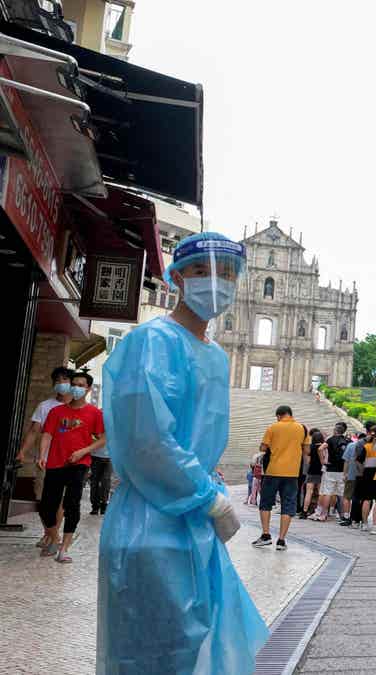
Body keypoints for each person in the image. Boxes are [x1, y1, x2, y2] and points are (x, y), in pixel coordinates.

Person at [98, 231, 266, 673]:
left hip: (194, 525)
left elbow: (200, 434)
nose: (216, 281)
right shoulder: (152, 341)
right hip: (150, 522)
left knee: (198, 647)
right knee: (152, 651)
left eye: (227, 273)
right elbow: (147, 438)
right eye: (200, 271)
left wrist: (206, 498)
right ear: (175, 278)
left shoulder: (214, 355)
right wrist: (207, 497)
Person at [38, 371, 106, 563]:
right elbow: (47, 434)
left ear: (88, 389)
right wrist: (42, 454)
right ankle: (54, 537)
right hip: (55, 463)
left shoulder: (94, 413)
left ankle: (64, 549)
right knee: (46, 507)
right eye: (74, 383)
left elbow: (103, 438)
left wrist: (84, 451)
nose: (76, 387)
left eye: (81, 385)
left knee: (72, 504)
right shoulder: (56, 412)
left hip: (78, 464)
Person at [20, 365, 73, 548]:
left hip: (68, 462)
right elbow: (34, 431)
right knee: (44, 501)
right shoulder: (45, 406)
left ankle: (52, 535)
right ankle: (49, 533)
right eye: (57, 381)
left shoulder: (76, 407)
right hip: (46, 461)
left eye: (65, 380)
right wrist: (22, 451)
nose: (61, 384)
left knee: (59, 501)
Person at [254, 405, 307, 551]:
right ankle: (282, 540)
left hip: (273, 471)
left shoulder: (273, 427)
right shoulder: (302, 428)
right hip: (292, 473)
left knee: (265, 503)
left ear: (279, 415)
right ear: (290, 414)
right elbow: (307, 450)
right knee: (288, 505)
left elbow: (263, 448)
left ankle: (265, 535)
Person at [319, 422, 350, 521]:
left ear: (335, 430)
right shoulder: (347, 440)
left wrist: (323, 461)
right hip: (342, 470)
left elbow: (320, 448)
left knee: (328, 492)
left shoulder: (330, 439)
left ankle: (324, 514)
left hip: (331, 469)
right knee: (341, 494)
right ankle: (343, 515)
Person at [302, 428, 325, 518]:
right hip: (321, 472)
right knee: (320, 492)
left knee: (309, 492)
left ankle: (304, 511)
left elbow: (308, 462)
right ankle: (318, 511)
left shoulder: (310, 447)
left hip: (311, 471)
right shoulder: (323, 447)